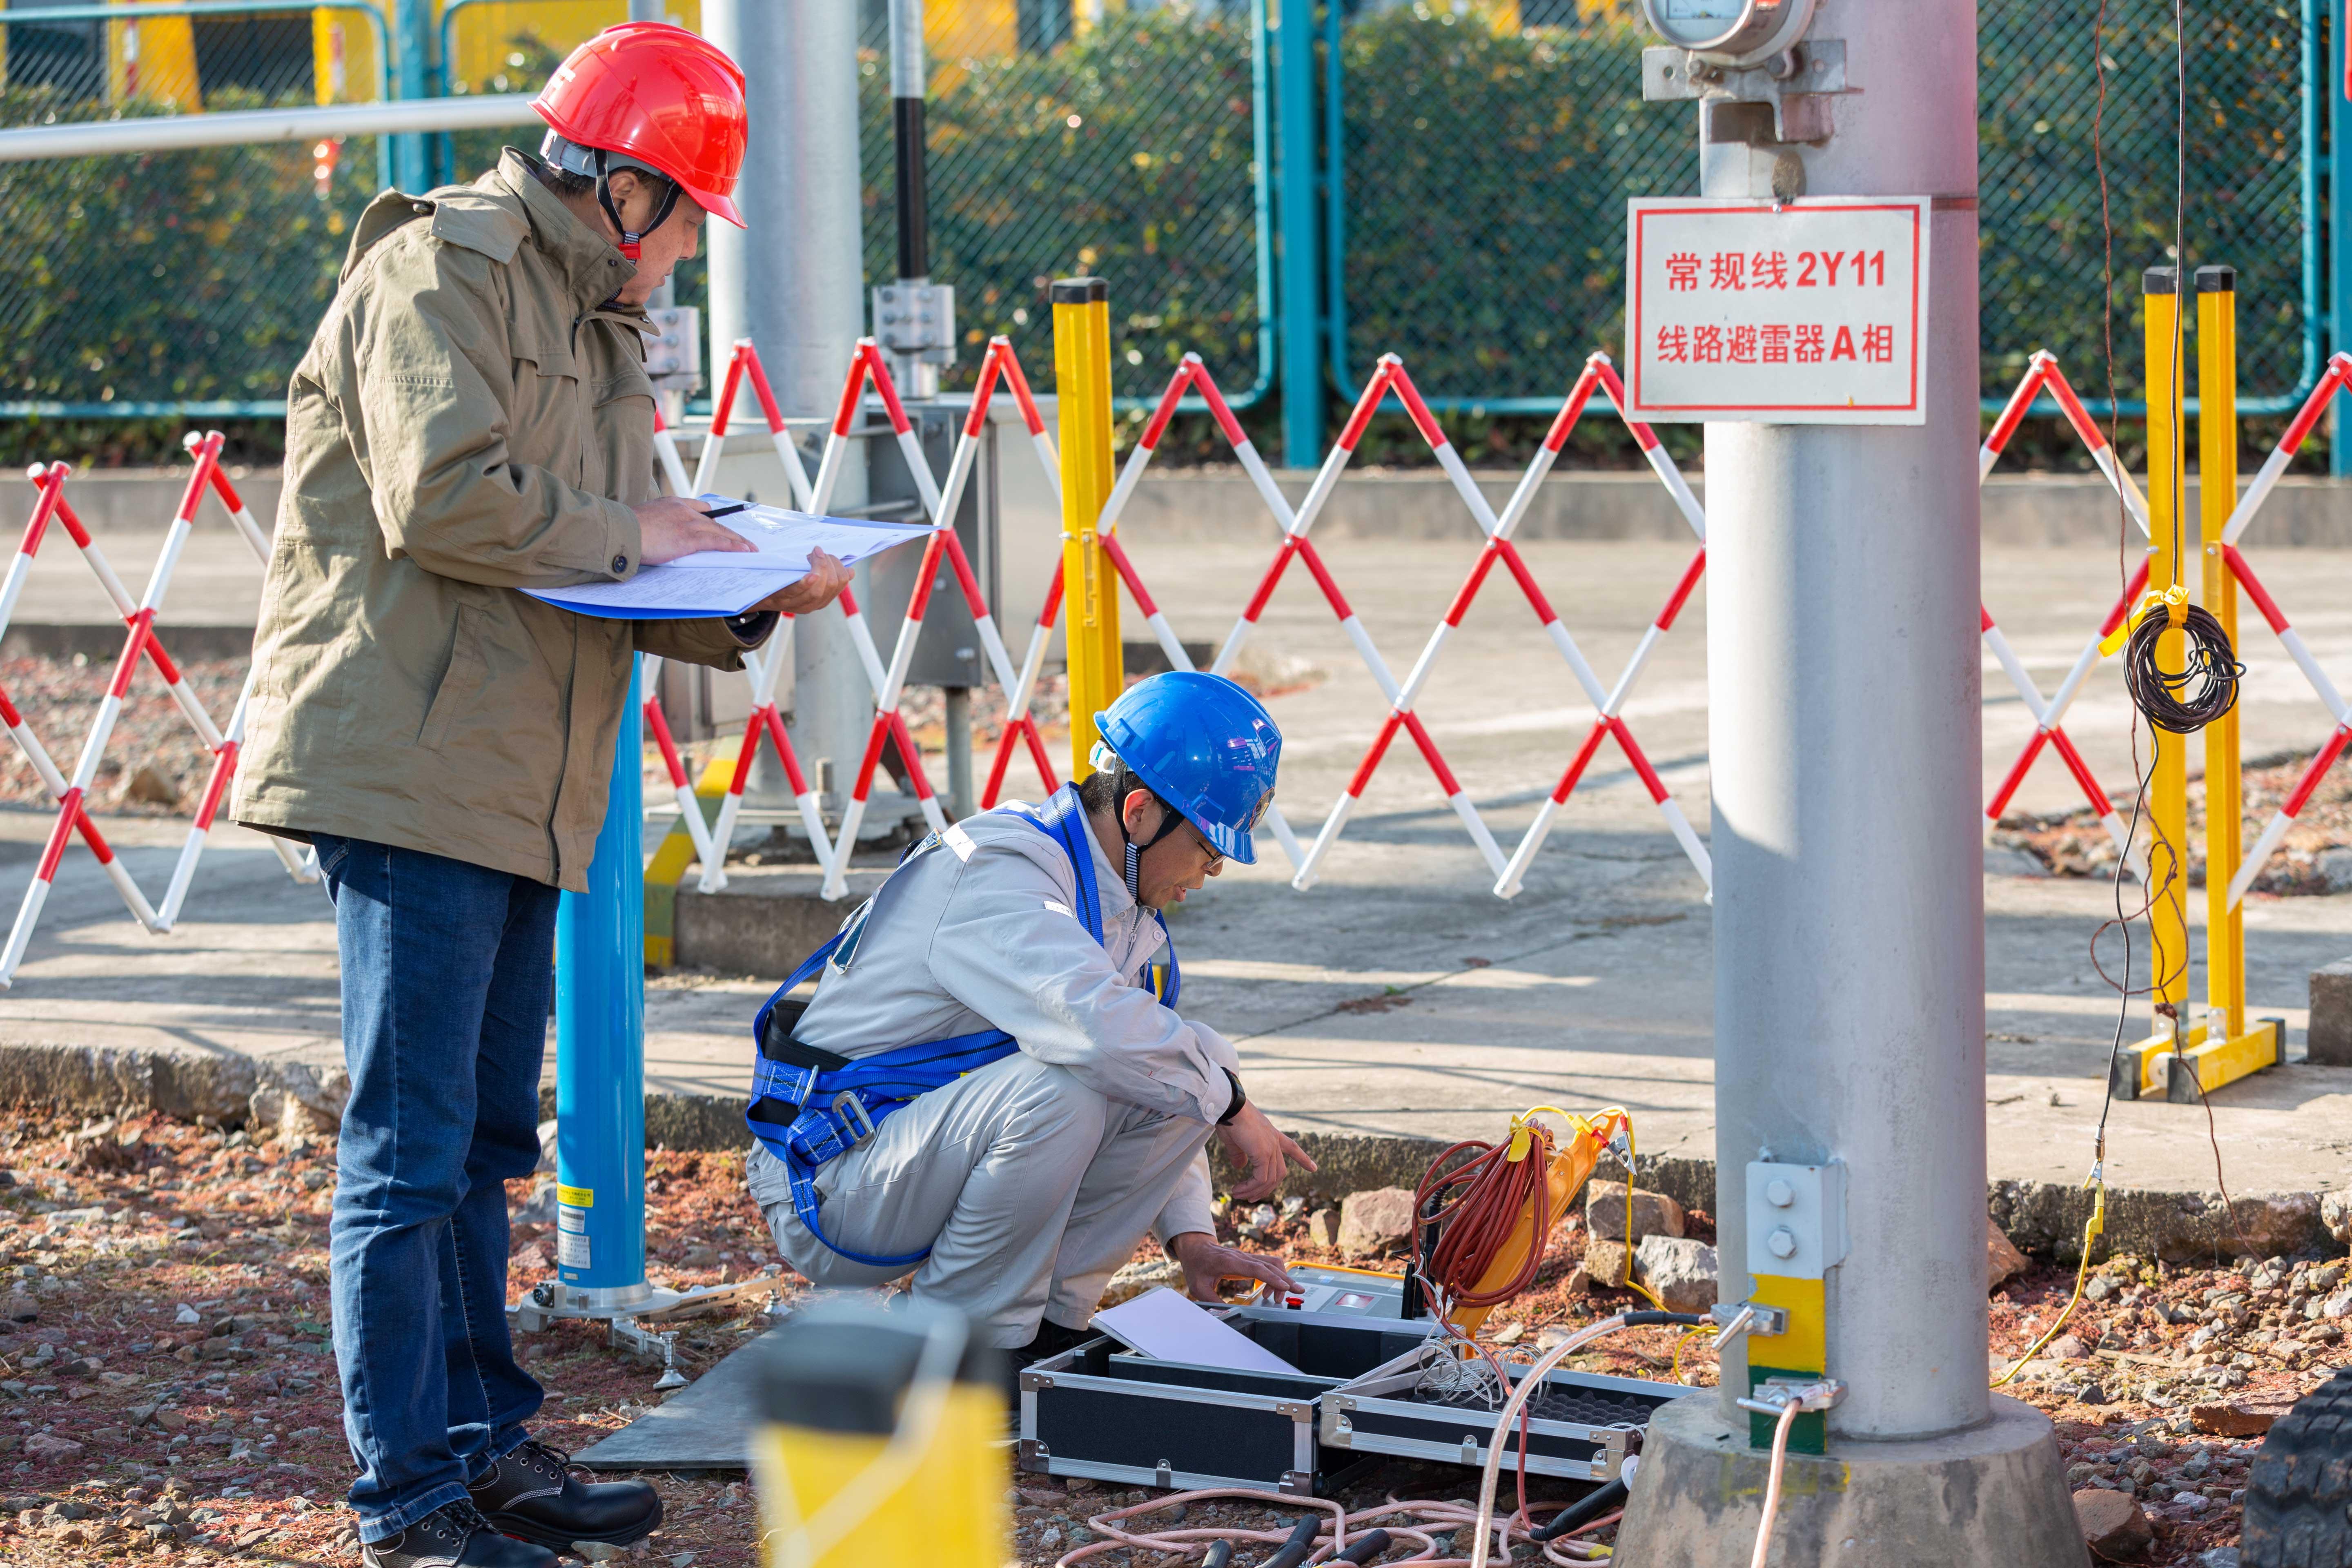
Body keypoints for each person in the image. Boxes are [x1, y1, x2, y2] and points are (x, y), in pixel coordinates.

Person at [232, 24, 851, 1568]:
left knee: (488, 1138)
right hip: (413, 766)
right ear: (625, 190)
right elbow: (448, 502)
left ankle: (483, 1445)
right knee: (409, 1143)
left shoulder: (596, 324)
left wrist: (748, 585)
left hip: (526, 772)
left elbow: (602, 552)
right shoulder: (434, 275)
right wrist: (654, 535)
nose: (688, 253)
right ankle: (410, 1503)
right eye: (688, 217)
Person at [744, 671, 1317, 1370]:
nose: (1212, 870)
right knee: (1077, 1085)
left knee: (1194, 1056)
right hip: (831, 1181)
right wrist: (1233, 1107)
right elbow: (1097, 1031)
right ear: (1139, 813)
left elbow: (1156, 1067)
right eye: (1208, 847)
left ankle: (1047, 1331)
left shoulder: (1120, 906)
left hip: (909, 1151)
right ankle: (957, 1348)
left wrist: (1191, 1241)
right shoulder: (1001, 871)